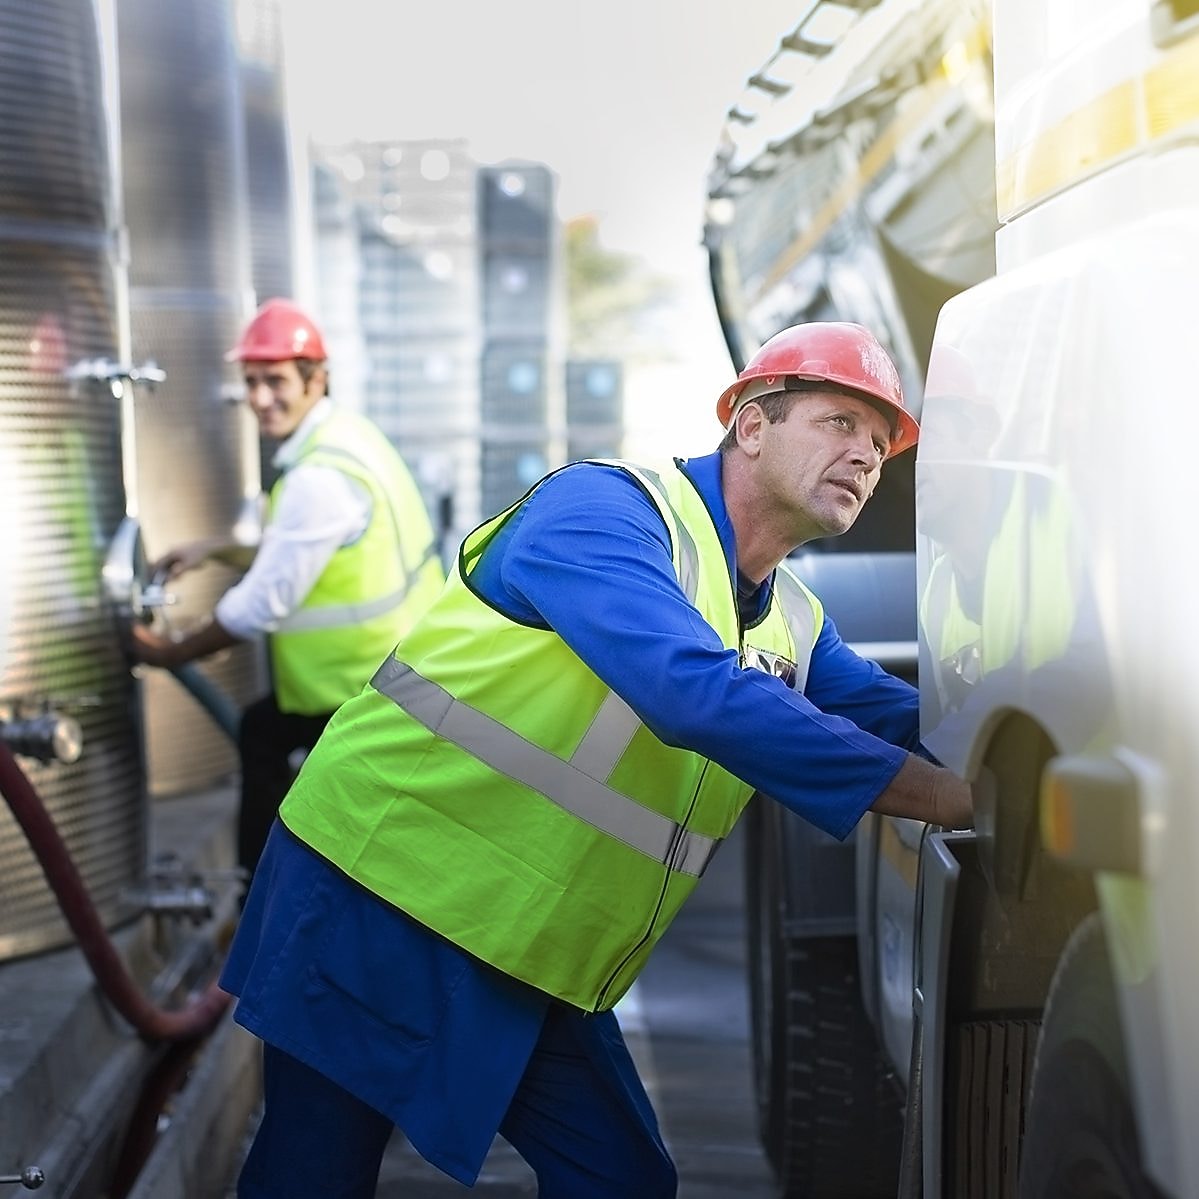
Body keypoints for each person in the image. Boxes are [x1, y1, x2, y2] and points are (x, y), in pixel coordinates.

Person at [220, 321, 976, 1199]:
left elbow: (902, 717)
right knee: (314, 1171)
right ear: (752, 426)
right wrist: (944, 797)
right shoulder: (603, 512)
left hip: (520, 939)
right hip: (378, 889)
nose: (863, 455)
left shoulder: (794, 620)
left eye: (880, 444)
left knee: (621, 1180)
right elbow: (689, 692)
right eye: (838, 422)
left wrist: (1028, 756)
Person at [129, 297, 445, 880]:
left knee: (267, 744)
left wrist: (164, 654)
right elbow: (313, 550)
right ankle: (269, 890)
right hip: (402, 673)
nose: (258, 397)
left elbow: (261, 605)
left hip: (363, 688)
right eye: (249, 382)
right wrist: (216, 550)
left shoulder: (318, 477)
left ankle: (259, 894)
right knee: (264, 735)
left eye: (274, 380)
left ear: (315, 378)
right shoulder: (350, 440)